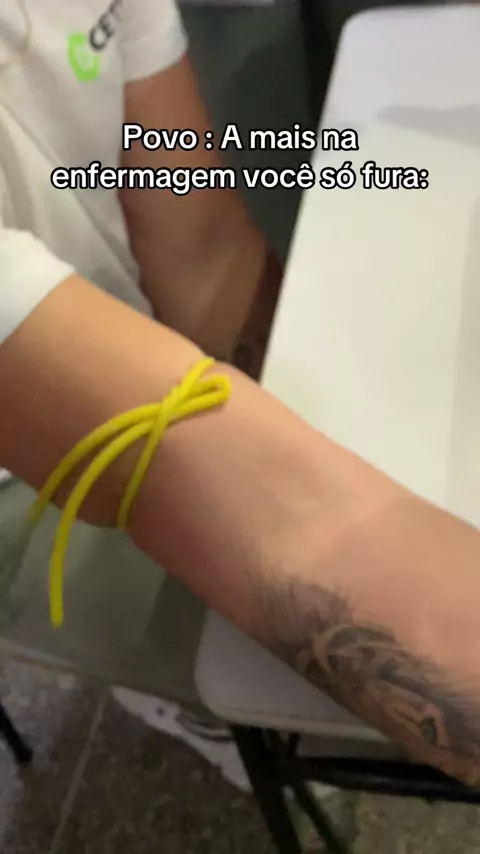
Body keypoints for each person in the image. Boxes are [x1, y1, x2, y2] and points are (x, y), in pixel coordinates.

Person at [1, 0, 480, 790]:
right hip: (18, 485)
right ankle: (185, 704)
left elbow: (204, 247)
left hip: (120, 325)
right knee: (232, 650)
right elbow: (275, 515)